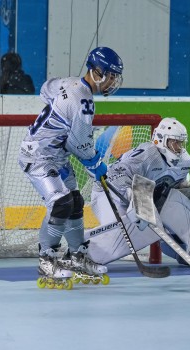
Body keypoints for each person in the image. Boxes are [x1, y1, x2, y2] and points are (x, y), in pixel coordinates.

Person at [18, 46, 124, 289]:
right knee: (61, 203)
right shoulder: (83, 101)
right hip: (39, 156)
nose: (113, 81)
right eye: (111, 75)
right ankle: (47, 258)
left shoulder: (71, 84)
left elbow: (46, 89)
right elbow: (80, 144)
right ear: (97, 72)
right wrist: (97, 165)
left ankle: (76, 256)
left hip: (56, 156)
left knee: (75, 201)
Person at [86, 117, 190, 266]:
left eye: (181, 143)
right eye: (174, 142)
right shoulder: (147, 155)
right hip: (109, 192)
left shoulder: (185, 162)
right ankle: (83, 252)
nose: (179, 147)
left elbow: (174, 187)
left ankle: (188, 249)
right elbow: (115, 175)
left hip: (145, 197)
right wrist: (131, 194)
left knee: (155, 221)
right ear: (161, 140)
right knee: (125, 234)